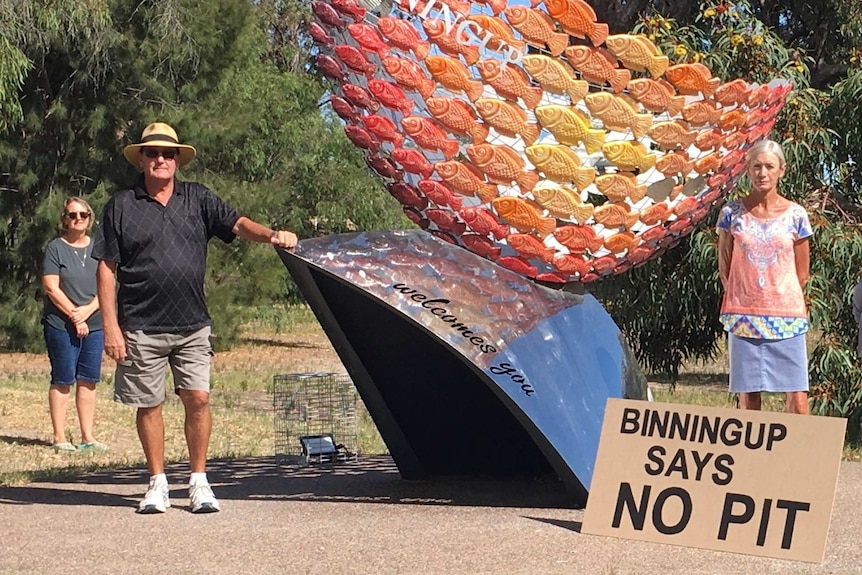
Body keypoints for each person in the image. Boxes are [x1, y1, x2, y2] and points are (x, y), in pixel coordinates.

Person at [92, 122, 298, 514]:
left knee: (198, 399)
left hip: (192, 324)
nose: (160, 159)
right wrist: (111, 326)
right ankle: (157, 484)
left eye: (168, 153)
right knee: (149, 404)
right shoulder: (121, 205)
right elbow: (105, 267)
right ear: (141, 158)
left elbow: (238, 224)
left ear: (177, 160)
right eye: (152, 153)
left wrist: (271, 234)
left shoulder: (198, 199)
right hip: (140, 324)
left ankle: (199, 482)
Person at [717, 139, 812, 414]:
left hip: (787, 318)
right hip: (743, 317)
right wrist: (742, 295)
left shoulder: (797, 215)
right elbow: (725, 265)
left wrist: (779, 297)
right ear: (748, 170)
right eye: (756, 166)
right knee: (749, 400)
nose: (763, 173)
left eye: (769, 166)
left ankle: (800, 456)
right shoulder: (731, 214)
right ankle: (752, 458)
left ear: (781, 170)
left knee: (798, 398)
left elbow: (802, 273)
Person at [42, 197, 106, 452]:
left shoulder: (100, 248)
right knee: (63, 379)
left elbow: (107, 285)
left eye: (83, 214)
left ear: (90, 218)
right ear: (64, 219)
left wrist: (88, 311)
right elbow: (50, 286)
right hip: (61, 323)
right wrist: (74, 316)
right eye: (72, 215)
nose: (78, 219)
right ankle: (59, 437)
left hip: (95, 323)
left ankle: (87, 437)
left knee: (88, 379)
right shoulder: (55, 248)